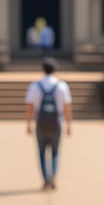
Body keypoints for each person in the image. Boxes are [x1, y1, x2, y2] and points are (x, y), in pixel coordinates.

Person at [24, 57, 72, 190]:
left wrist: (28, 124)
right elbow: (67, 107)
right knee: (55, 153)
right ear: (55, 69)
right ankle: (53, 177)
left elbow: (31, 107)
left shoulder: (35, 86)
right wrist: (69, 125)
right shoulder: (62, 86)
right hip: (57, 123)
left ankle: (45, 179)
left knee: (41, 153)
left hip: (41, 123)